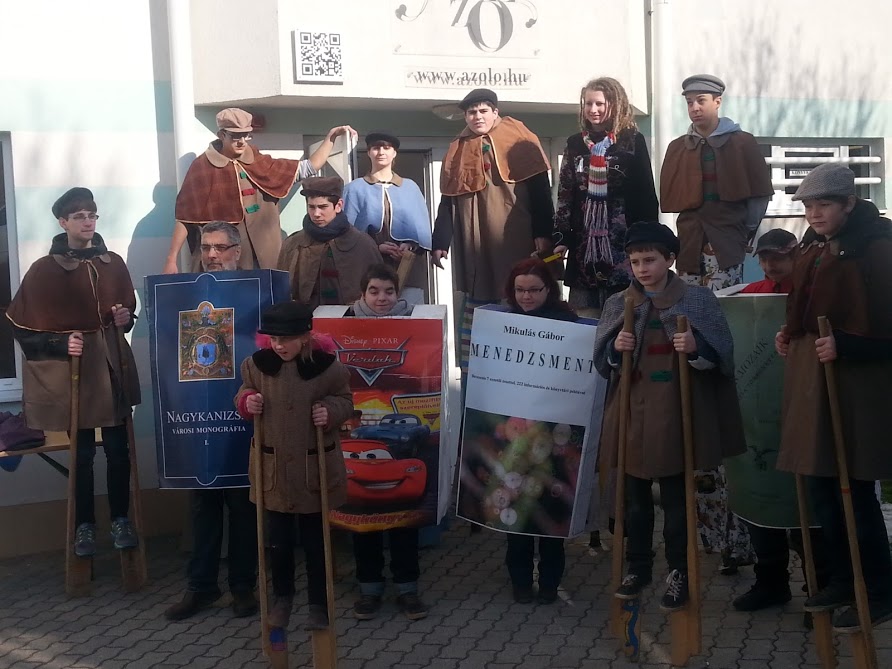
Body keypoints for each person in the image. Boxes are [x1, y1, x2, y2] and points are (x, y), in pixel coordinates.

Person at [593, 221, 745, 611]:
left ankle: (678, 570)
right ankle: (638, 566)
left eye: (650, 260)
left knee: (677, 500)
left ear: (670, 259)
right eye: (635, 262)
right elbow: (604, 362)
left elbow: (723, 357)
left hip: (678, 413)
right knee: (634, 498)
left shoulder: (697, 300)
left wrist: (696, 347)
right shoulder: (619, 303)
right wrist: (615, 348)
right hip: (633, 411)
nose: (642, 269)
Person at [659, 75, 773, 571]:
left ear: (718, 102)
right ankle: (707, 538)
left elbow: (756, 199)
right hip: (690, 253)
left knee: (725, 335)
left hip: (727, 249)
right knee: (692, 326)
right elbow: (674, 202)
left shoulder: (741, 142)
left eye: (701, 100)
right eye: (688, 101)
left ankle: (743, 539)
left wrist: (744, 233)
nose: (694, 108)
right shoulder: (679, 147)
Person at [775, 164, 892, 631]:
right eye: (808, 205)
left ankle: (880, 589)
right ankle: (843, 578)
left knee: (854, 489)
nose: (814, 213)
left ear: (848, 203)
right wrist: (791, 331)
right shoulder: (812, 244)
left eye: (823, 204)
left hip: (857, 381)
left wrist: (850, 345)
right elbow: (806, 302)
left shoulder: (877, 245)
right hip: (814, 374)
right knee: (821, 483)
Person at [7, 187, 141, 557]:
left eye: (92, 215)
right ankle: (84, 526)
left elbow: (128, 315)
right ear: (63, 222)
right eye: (79, 216)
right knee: (81, 455)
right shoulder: (44, 270)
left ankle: (121, 519)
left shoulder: (113, 263)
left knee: (118, 450)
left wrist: (125, 319)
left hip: (111, 367)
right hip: (75, 373)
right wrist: (59, 344)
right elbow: (21, 327)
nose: (87, 222)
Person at [235, 301, 353, 630]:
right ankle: (282, 598)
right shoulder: (256, 366)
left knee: (316, 542)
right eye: (273, 339)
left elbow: (346, 400)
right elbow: (243, 392)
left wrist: (331, 410)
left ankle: (318, 604)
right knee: (279, 542)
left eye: (285, 339)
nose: (278, 346)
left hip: (312, 470)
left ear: (305, 336)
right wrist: (247, 401)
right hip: (273, 472)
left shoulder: (328, 367)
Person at [731, 227, 830, 618]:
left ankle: (820, 588)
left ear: (795, 254)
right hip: (758, 413)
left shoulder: (814, 291)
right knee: (762, 497)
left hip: (804, 404)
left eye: (779, 257)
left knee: (808, 504)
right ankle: (770, 582)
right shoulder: (749, 295)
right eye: (765, 257)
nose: (771, 264)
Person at [164, 222, 258, 621]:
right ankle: (201, 587)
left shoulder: (254, 291)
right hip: (200, 419)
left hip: (242, 419)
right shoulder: (183, 293)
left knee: (243, 507)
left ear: (237, 251)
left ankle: (243, 587)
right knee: (203, 506)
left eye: (220, 247)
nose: (212, 255)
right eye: (206, 247)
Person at [430, 88, 554, 375]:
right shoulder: (457, 147)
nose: (477, 117)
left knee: (519, 289)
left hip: (514, 231)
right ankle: (478, 369)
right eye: (471, 112)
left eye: (483, 110)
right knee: (477, 299)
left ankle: (523, 365)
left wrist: (543, 231)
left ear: (495, 112)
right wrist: (441, 240)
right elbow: (448, 200)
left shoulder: (520, 136)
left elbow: (540, 190)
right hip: (473, 238)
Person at [166, 107, 356, 273]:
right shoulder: (202, 168)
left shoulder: (260, 162)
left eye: (246, 135)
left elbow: (307, 168)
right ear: (221, 135)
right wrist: (171, 259)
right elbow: (185, 217)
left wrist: (330, 138)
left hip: (268, 259)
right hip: (228, 266)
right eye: (235, 136)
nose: (242, 141)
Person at [343, 264, 428, 620]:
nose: (382, 298)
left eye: (389, 291)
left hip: (397, 449)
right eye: (374, 291)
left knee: (403, 518)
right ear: (362, 293)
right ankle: (369, 588)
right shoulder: (342, 322)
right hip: (359, 443)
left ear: (398, 292)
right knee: (364, 518)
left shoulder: (416, 321)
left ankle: (407, 588)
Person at [501, 258, 578, 605]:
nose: (527, 297)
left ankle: (549, 581)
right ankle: (519, 580)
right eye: (520, 290)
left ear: (549, 290)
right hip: (517, 432)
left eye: (534, 290)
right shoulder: (502, 322)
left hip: (555, 431)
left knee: (551, 506)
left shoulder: (568, 323)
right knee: (517, 507)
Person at [553, 77, 659, 318]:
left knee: (625, 318)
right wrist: (561, 236)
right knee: (585, 319)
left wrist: (647, 239)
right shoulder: (575, 144)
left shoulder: (632, 141)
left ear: (615, 104)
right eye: (588, 103)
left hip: (622, 244)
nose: (593, 109)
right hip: (584, 247)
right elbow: (566, 193)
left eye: (600, 103)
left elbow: (646, 194)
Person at [343, 131, 432, 305]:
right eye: (376, 148)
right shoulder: (354, 189)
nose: (381, 152)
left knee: (408, 314)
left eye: (386, 148)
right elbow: (348, 234)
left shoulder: (410, 188)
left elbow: (421, 230)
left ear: (394, 153)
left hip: (406, 266)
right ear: (369, 152)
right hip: (369, 264)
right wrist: (377, 247)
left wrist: (410, 246)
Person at [277, 176, 382, 307]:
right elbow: (280, 294)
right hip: (304, 318)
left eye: (323, 207)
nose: (316, 213)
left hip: (351, 318)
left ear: (338, 206)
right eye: (311, 207)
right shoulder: (293, 244)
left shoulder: (364, 245)